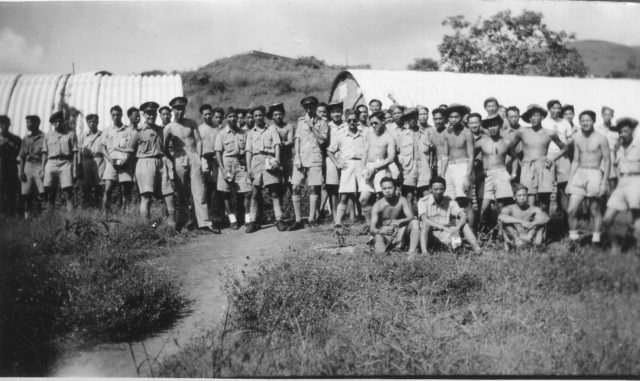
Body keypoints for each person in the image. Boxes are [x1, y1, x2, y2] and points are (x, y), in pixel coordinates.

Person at [164, 96, 215, 232]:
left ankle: (204, 223)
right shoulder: (169, 128)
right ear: (173, 110)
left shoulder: (191, 123)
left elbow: (198, 140)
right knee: (182, 192)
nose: (180, 112)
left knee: (199, 190)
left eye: (182, 109)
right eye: (177, 109)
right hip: (179, 157)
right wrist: (173, 159)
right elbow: (164, 148)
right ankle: (185, 222)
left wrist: (198, 156)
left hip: (193, 155)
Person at [507, 104, 566, 213]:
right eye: (531, 116)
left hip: (544, 167)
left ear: (542, 117)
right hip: (527, 167)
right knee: (529, 201)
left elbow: (564, 147)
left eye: (536, 115)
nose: (533, 118)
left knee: (544, 203)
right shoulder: (522, 131)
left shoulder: (550, 133)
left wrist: (552, 158)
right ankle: (529, 228)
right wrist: (519, 159)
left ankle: (543, 228)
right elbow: (510, 148)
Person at [130, 102, 177, 228]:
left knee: (169, 193)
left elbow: (166, 147)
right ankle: (147, 227)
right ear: (143, 115)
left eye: (153, 113)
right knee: (146, 196)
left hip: (161, 162)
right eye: (148, 113)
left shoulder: (161, 130)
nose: (151, 116)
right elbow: (131, 151)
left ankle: (172, 225)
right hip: (144, 163)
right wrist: (133, 171)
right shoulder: (138, 132)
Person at [566, 110, 610, 244]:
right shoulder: (577, 137)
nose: (585, 123)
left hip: (595, 173)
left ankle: (596, 239)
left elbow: (607, 161)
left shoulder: (601, 138)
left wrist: (603, 182)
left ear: (593, 121)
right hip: (579, 173)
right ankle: (573, 239)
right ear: (579, 122)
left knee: (594, 209)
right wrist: (569, 181)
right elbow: (575, 161)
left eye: (588, 120)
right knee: (571, 209)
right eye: (583, 120)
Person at [289, 96, 328, 230]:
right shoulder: (301, 121)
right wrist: (297, 157)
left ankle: (312, 219)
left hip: (315, 157)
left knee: (314, 188)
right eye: (306, 107)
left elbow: (322, 140)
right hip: (301, 158)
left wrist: (312, 126)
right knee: (295, 187)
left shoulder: (322, 122)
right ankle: (298, 220)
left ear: (316, 107)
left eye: (311, 106)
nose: (309, 109)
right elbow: (297, 140)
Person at [246, 105, 286, 232]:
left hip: (269, 159)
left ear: (264, 116)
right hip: (256, 162)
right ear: (253, 117)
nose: (258, 117)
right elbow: (248, 151)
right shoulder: (251, 133)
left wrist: (277, 160)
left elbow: (277, 146)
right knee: (255, 192)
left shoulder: (272, 129)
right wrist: (248, 168)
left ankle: (279, 219)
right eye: (256, 116)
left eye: (260, 115)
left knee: (274, 192)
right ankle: (253, 221)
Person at [603, 117, 640, 254]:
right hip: (622, 183)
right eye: (620, 132)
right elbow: (616, 165)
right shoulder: (618, 147)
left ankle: (638, 248)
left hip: (637, 181)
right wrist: (619, 179)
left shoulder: (638, 145)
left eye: (625, 131)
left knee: (637, 218)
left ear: (632, 132)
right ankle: (615, 245)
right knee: (607, 219)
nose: (622, 134)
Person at [418, 176, 481, 254]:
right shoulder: (423, 202)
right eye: (436, 189)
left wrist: (458, 227)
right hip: (430, 234)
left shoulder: (449, 201)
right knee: (425, 224)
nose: (438, 192)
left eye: (441, 189)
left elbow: (463, 215)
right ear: (430, 189)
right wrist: (441, 227)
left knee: (463, 224)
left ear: (444, 189)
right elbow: (424, 219)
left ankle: (477, 248)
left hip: (446, 233)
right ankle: (425, 252)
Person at [475, 114, 516, 230]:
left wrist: (514, 174)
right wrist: (477, 172)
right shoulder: (482, 142)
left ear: (499, 126)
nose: (493, 128)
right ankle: (482, 231)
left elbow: (516, 158)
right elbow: (470, 156)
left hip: (502, 172)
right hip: (487, 174)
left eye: (495, 125)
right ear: (487, 128)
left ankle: (501, 233)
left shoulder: (506, 142)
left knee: (502, 205)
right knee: (484, 206)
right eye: (490, 126)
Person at [215, 107, 252, 230]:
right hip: (226, 163)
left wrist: (246, 161)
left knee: (247, 191)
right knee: (225, 193)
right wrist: (223, 169)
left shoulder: (243, 133)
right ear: (225, 118)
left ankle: (247, 219)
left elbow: (247, 150)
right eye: (229, 116)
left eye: (234, 116)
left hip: (240, 163)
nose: (232, 118)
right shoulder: (221, 134)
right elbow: (218, 153)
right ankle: (232, 219)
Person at [329, 109, 367, 227]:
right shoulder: (341, 135)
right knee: (344, 195)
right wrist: (337, 164)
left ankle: (368, 222)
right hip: (348, 165)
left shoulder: (364, 134)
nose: (351, 122)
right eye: (349, 120)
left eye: (354, 120)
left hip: (361, 164)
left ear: (357, 121)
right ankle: (338, 223)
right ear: (346, 120)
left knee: (365, 194)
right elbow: (330, 151)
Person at [441, 104, 475, 230]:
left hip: (464, 166)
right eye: (450, 117)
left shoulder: (467, 133)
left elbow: (471, 156)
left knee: (465, 203)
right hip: (450, 167)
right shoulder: (446, 133)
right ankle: (456, 234)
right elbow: (445, 155)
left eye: (456, 117)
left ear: (461, 117)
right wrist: (442, 174)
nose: (453, 120)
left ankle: (472, 235)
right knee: (450, 201)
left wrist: (467, 176)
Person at [360, 111, 397, 223]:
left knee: (381, 198)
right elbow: (365, 152)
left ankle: (383, 223)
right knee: (363, 199)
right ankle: (369, 224)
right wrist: (363, 168)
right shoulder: (370, 134)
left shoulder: (389, 137)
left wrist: (375, 167)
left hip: (381, 166)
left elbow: (391, 158)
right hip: (368, 167)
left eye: (376, 123)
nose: (374, 125)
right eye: (372, 124)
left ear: (383, 121)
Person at [370, 177, 420, 256]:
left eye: (390, 188)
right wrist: (381, 231)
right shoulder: (378, 205)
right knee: (379, 241)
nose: (387, 191)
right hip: (385, 232)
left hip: (400, 231)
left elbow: (411, 217)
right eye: (384, 188)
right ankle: (382, 252)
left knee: (415, 222)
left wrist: (400, 221)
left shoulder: (402, 200)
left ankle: (412, 252)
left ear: (396, 188)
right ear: (381, 189)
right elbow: (372, 228)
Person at [542, 99, 574, 218]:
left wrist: (567, 144)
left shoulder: (565, 122)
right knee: (547, 187)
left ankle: (566, 217)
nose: (556, 110)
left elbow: (570, 139)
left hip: (563, 155)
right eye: (553, 108)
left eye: (558, 108)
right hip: (548, 155)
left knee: (564, 187)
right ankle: (546, 219)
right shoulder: (544, 122)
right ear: (549, 109)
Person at [101, 105, 135, 211]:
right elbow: (102, 148)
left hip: (125, 162)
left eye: (118, 114)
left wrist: (127, 158)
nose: (116, 117)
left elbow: (132, 147)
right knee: (107, 189)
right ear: (111, 116)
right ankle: (105, 213)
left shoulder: (129, 130)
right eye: (113, 115)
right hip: (111, 163)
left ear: (121, 115)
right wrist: (108, 158)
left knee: (127, 190)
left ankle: (127, 213)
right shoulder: (107, 130)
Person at [42, 111, 77, 211]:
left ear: (63, 121)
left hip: (65, 163)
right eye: (54, 122)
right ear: (52, 123)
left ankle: (71, 215)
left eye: (59, 121)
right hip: (51, 163)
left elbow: (75, 152)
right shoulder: (48, 136)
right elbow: (44, 153)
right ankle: (50, 216)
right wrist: (43, 169)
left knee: (68, 191)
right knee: (50, 192)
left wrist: (74, 168)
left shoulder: (70, 134)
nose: (57, 124)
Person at [499, 184, 550, 249]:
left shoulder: (533, 208)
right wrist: (522, 222)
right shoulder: (509, 208)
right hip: (515, 236)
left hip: (529, 236)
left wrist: (532, 224)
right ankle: (517, 243)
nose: (522, 198)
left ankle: (537, 245)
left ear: (527, 196)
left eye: (524, 195)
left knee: (539, 219)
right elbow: (501, 217)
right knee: (506, 223)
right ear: (514, 197)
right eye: (519, 196)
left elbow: (546, 218)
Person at [320, 101, 347, 221]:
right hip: (330, 157)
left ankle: (350, 215)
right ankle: (335, 215)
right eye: (333, 112)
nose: (336, 114)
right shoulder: (328, 126)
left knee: (347, 186)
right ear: (330, 114)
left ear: (342, 112)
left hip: (345, 157)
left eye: (338, 111)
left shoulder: (347, 125)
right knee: (332, 187)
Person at [198, 104, 222, 228]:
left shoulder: (217, 127)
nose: (207, 116)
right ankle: (205, 219)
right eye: (205, 114)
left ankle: (217, 216)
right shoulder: (199, 128)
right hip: (204, 159)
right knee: (204, 188)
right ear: (201, 116)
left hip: (215, 159)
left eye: (209, 114)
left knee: (216, 187)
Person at [19, 115, 45, 218]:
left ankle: (42, 216)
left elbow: (45, 154)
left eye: (29, 122)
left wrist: (43, 168)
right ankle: (27, 218)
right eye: (27, 123)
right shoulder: (26, 139)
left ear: (36, 124)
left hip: (39, 165)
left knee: (42, 193)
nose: (27, 125)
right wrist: (21, 171)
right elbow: (22, 156)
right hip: (28, 166)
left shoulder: (44, 137)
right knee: (26, 194)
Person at [78, 114, 104, 207]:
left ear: (98, 122)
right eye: (89, 122)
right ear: (87, 123)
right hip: (87, 161)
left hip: (99, 161)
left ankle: (98, 206)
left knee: (99, 185)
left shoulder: (102, 135)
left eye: (94, 121)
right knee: (86, 186)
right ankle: (86, 206)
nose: (92, 124)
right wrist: (79, 165)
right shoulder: (83, 136)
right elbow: (79, 151)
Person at [269, 103, 294, 194]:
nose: (278, 116)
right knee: (276, 182)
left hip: (287, 157)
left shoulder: (288, 126)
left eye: (280, 114)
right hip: (275, 157)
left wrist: (281, 144)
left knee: (290, 181)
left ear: (283, 114)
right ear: (272, 116)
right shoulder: (270, 128)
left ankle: (291, 203)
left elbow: (290, 141)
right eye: (275, 115)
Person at [397, 107, 420, 205]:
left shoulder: (423, 132)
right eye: (409, 119)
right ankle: (409, 216)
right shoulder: (401, 134)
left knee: (423, 193)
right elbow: (398, 152)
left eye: (414, 118)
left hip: (422, 167)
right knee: (409, 194)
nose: (412, 120)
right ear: (406, 120)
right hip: (408, 168)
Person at [0, 115, 21, 216]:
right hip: (1, 167)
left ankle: (11, 213)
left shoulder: (15, 139)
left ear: (9, 125)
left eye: (6, 124)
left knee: (11, 190)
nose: (4, 126)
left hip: (11, 167)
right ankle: (2, 212)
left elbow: (18, 152)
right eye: (1, 124)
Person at [595, 106, 619, 192]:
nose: (607, 116)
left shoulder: (617, 129)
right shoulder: (597, 129)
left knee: (612, 181)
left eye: (609, 114)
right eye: (605, 114)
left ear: (612, 116)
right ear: (602, 115)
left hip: (612, 156)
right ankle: (602, 204)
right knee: (599, 182)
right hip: (600, 156)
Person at [502, 106, 522, 182]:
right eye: (511, 117)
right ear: (507, 118)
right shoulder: (502, 134)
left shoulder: (525, 131)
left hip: (523, 166)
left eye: (516, 116)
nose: (514, 119)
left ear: (519, 117)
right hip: (508, 166)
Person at [416, 106, 432, 197]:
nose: (423, 116)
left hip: (426, 165)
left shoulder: (432, 130)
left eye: (425, 114)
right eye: (420, 114)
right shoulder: (413, 129)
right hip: (414, 165)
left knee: (426, 192)